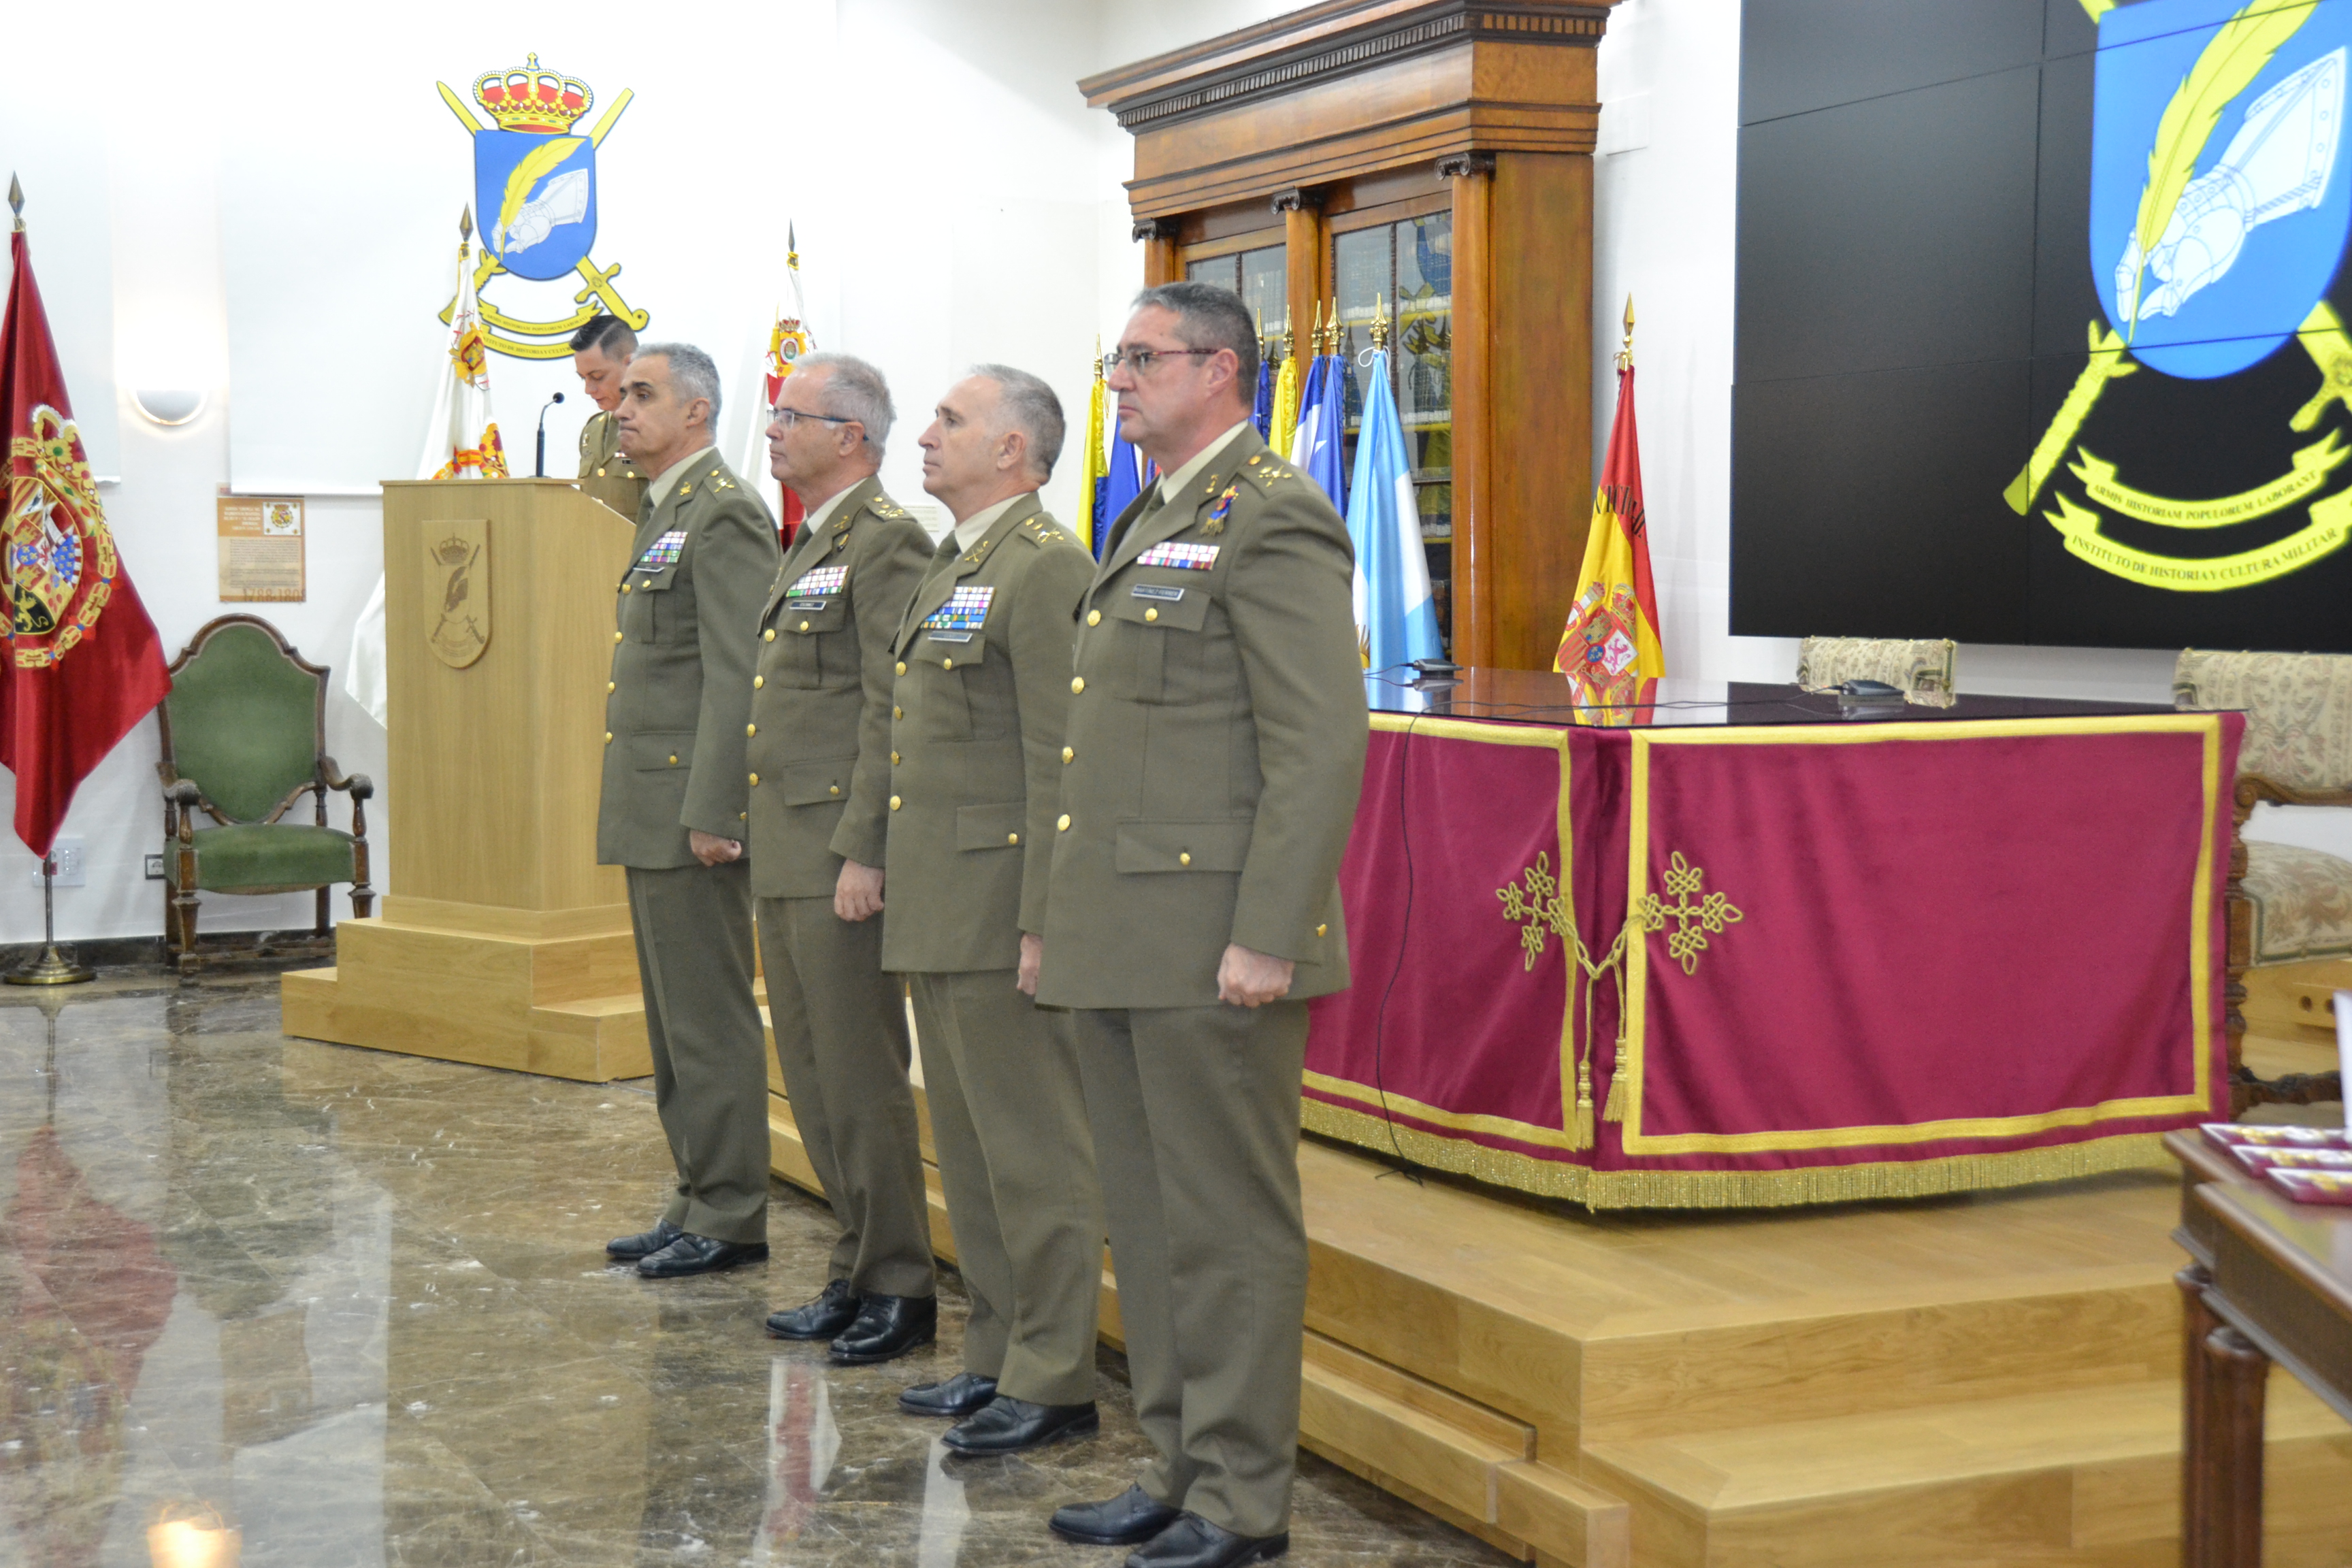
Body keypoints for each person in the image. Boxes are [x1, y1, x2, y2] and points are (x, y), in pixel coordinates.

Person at [1036, 283, 1368, 1568]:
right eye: (1116, 357)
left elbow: (1316, 741)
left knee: (1224, 1224)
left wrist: (1269, 930)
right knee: (1152, 1213)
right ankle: (1179, 1459)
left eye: (1141, 358)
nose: (1117, 380)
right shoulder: (1157, 513)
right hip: (1123, 929)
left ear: (1221, 369)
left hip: (1215, 936)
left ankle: (1241, 1495)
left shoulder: (1272, 515)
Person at [885, 367, 1105, 1452]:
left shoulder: (1046, 566)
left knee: (1035, 1153)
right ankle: (998, 1351)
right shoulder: (956, 561)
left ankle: (1057, 1375)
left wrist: (1046, 918)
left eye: (952, 421)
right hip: (939, 895)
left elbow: (1060, 758)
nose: (926, 435)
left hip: (999, 900)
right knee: (970, 1149)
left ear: (1013, 451)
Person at [746, 353, 939, 1363]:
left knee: (861, 1075)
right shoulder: (809, 541)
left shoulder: (887, 544)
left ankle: (902, 1283)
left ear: (850, 436)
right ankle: (855, 1264)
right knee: (814, 1079)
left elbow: (889, 709)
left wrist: (869, 847)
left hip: (836, 854)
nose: (773, 430)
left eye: (792, 415)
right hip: (784, 845)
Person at [598, 343, 779, 1279]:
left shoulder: (725, 514)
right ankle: (694, 1192)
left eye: (642, 395)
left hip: (691, 810)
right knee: (672, 1020)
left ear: (698, 413)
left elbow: (738, 674)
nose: (620, 409)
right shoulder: (666, 510)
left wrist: (719, 808)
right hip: (651, 801)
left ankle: (734, 1209)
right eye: (623, 394)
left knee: (707, 1017)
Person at [572, 314, 647, 481]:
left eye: (598, 376)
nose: (588, 389)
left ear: (630, 363)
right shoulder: (592, 431)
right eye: (583, 378)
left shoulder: (660, 427)